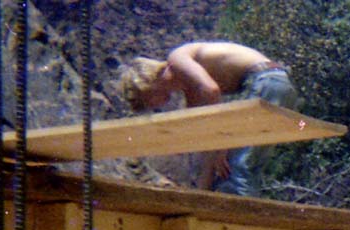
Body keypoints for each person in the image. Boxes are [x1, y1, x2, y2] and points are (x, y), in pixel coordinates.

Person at [119, 42, 299, 197]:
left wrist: (222, 147)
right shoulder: (191, 91)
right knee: (246, 165)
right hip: (277, 86)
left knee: (237, 167)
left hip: (266, 82)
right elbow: (207, 148)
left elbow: (212, 90)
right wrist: (202, 193)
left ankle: (239, 225)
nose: (152, 106)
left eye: (146, 101)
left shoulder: (177, 59)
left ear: (146, 83)